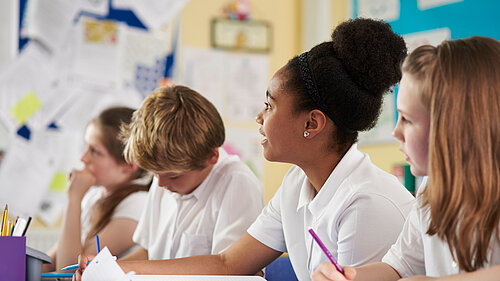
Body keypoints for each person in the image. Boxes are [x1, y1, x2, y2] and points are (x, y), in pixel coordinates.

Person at [76, 18, 413, 281]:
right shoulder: (297, 186)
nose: (259, 116)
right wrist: (114, 269)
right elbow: (228, 263)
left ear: (311, 124)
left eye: (270, 105)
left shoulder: (366, 204)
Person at [311, 36, 500, 281]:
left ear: (456, 126)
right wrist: (349, 277)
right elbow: (398, 267)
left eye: (407, 119)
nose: (396, 132)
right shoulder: (431, 191)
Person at [113, 85, 264, 262]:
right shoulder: (165, 178)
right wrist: (105, 271)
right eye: (154, 174)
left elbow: (232, 270)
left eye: (174, 176)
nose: (160, 184)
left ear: (211, 156)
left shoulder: (237, 182)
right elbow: (149, 253)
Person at [43, 106, 152, 273]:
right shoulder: (95, 196)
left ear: (129, 165)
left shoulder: (137, 205)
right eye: (86, 147)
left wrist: (74, 199)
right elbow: (51, 261)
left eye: (95, 151)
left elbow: (69, 272)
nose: (83, 158)